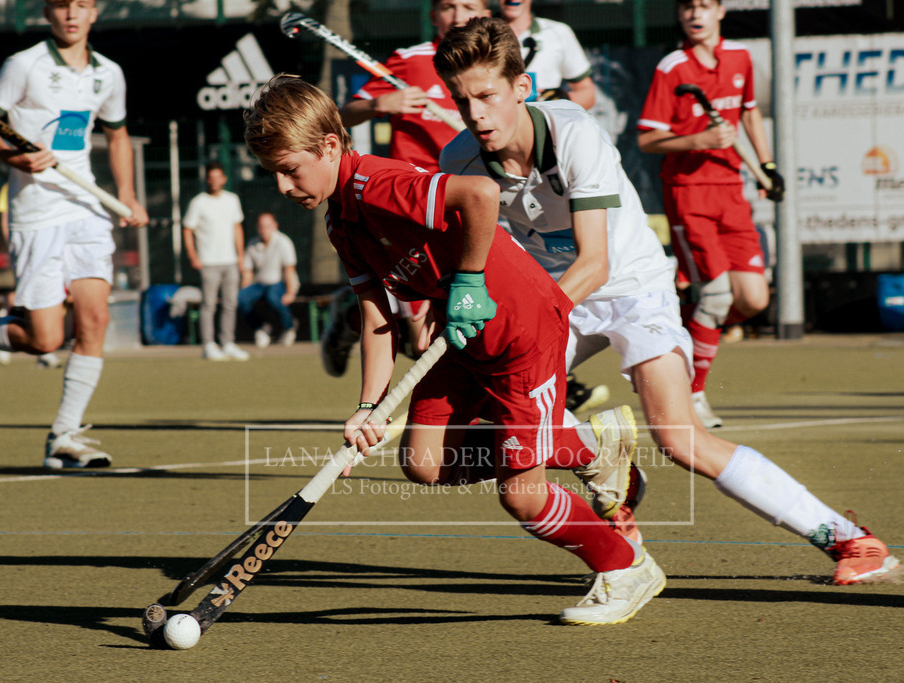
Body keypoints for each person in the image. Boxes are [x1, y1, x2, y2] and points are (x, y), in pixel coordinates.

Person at [436, 17, 897, 586]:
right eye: (462, 101)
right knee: (489, 423)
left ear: (521, 88)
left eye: (486, 96)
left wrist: (524, 323)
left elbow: (595, 263)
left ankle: (850, 539)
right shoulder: (456, 162)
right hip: (555, 297)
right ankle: (601, 458)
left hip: (629, 285)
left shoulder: (574, 133)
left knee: (679, 438)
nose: (476, 113)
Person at [244, 74, 666, 626]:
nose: (282, 186)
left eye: (289, 169)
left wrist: (468, 279)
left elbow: (481, 194)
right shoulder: (340, 219)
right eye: (273, 173)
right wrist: (368, 408)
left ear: (328, 147)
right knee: (423, 462)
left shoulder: (379, 183)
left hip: (523, 336)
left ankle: (627, 566)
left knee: (523, 499)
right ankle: (587, 447)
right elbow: (377, 317)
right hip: (460, 343)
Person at [328, 0, 608, 411]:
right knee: (426, 332)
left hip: (473, 199)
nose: (458, 14)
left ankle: (539, 385)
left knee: (483, 312)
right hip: (416, 208)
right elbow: (338, 118)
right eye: (448, 6)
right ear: (433, 15)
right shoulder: (408, 61)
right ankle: (353, 319)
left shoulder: (494, 71)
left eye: (469, 6)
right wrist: (379, 105)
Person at [0, 0, 148, 468]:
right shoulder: (23, 65)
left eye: (82, 6)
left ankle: (65, 436)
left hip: (86, 209)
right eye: (62, 5)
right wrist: (15, 158)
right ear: (48, 12)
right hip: (36, 212)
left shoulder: (109, 73)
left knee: (95, 320)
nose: (71, 14)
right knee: (43, 339)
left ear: (95, 13)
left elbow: (118, 134)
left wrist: (127, 193)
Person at [637, 0, 784, 428]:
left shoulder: (740, 57)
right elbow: (648, 140)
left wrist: (766, 163)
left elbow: (750, 110)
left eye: (704, 5)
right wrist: (699, 139)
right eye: (687, 7)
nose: (695, 14)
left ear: (720, 10)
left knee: (754, 298)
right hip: (688, 194)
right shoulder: (672, 67)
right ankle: (693, 393)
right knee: (718, 296)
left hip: (731, 192)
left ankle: (685, 332)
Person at [183, 161, 249, 361]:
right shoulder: (198, 202)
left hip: (230, 261)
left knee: (230, 303)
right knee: (208, 304)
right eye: (210, 178)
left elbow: (237, 228)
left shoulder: (232, 200)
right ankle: (208, 345)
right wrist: (193, 256)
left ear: (223, 179)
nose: (213, 181)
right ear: (207, 180)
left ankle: (227, 343)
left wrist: (240, 256)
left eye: (217, 177)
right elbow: (188, 229)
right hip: (208, 262)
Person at [498, 0, 596, 109]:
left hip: (546, 122)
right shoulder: (481, 35)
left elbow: (588, 94)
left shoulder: (558, 32)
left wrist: (563, 99)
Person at [238, 212, 299, 348]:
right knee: (239, 299)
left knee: (274, 298)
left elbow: (289, 270)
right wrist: (244, 290)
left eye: (268, 226)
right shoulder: (252, 243)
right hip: (260, 284)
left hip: (279, 283)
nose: (264, 230)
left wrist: (290, 292)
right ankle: (261, 329)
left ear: (275, 226)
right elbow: (248, 272)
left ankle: (289, 326)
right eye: (261, 226)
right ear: (257, 227)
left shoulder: (284, 242)